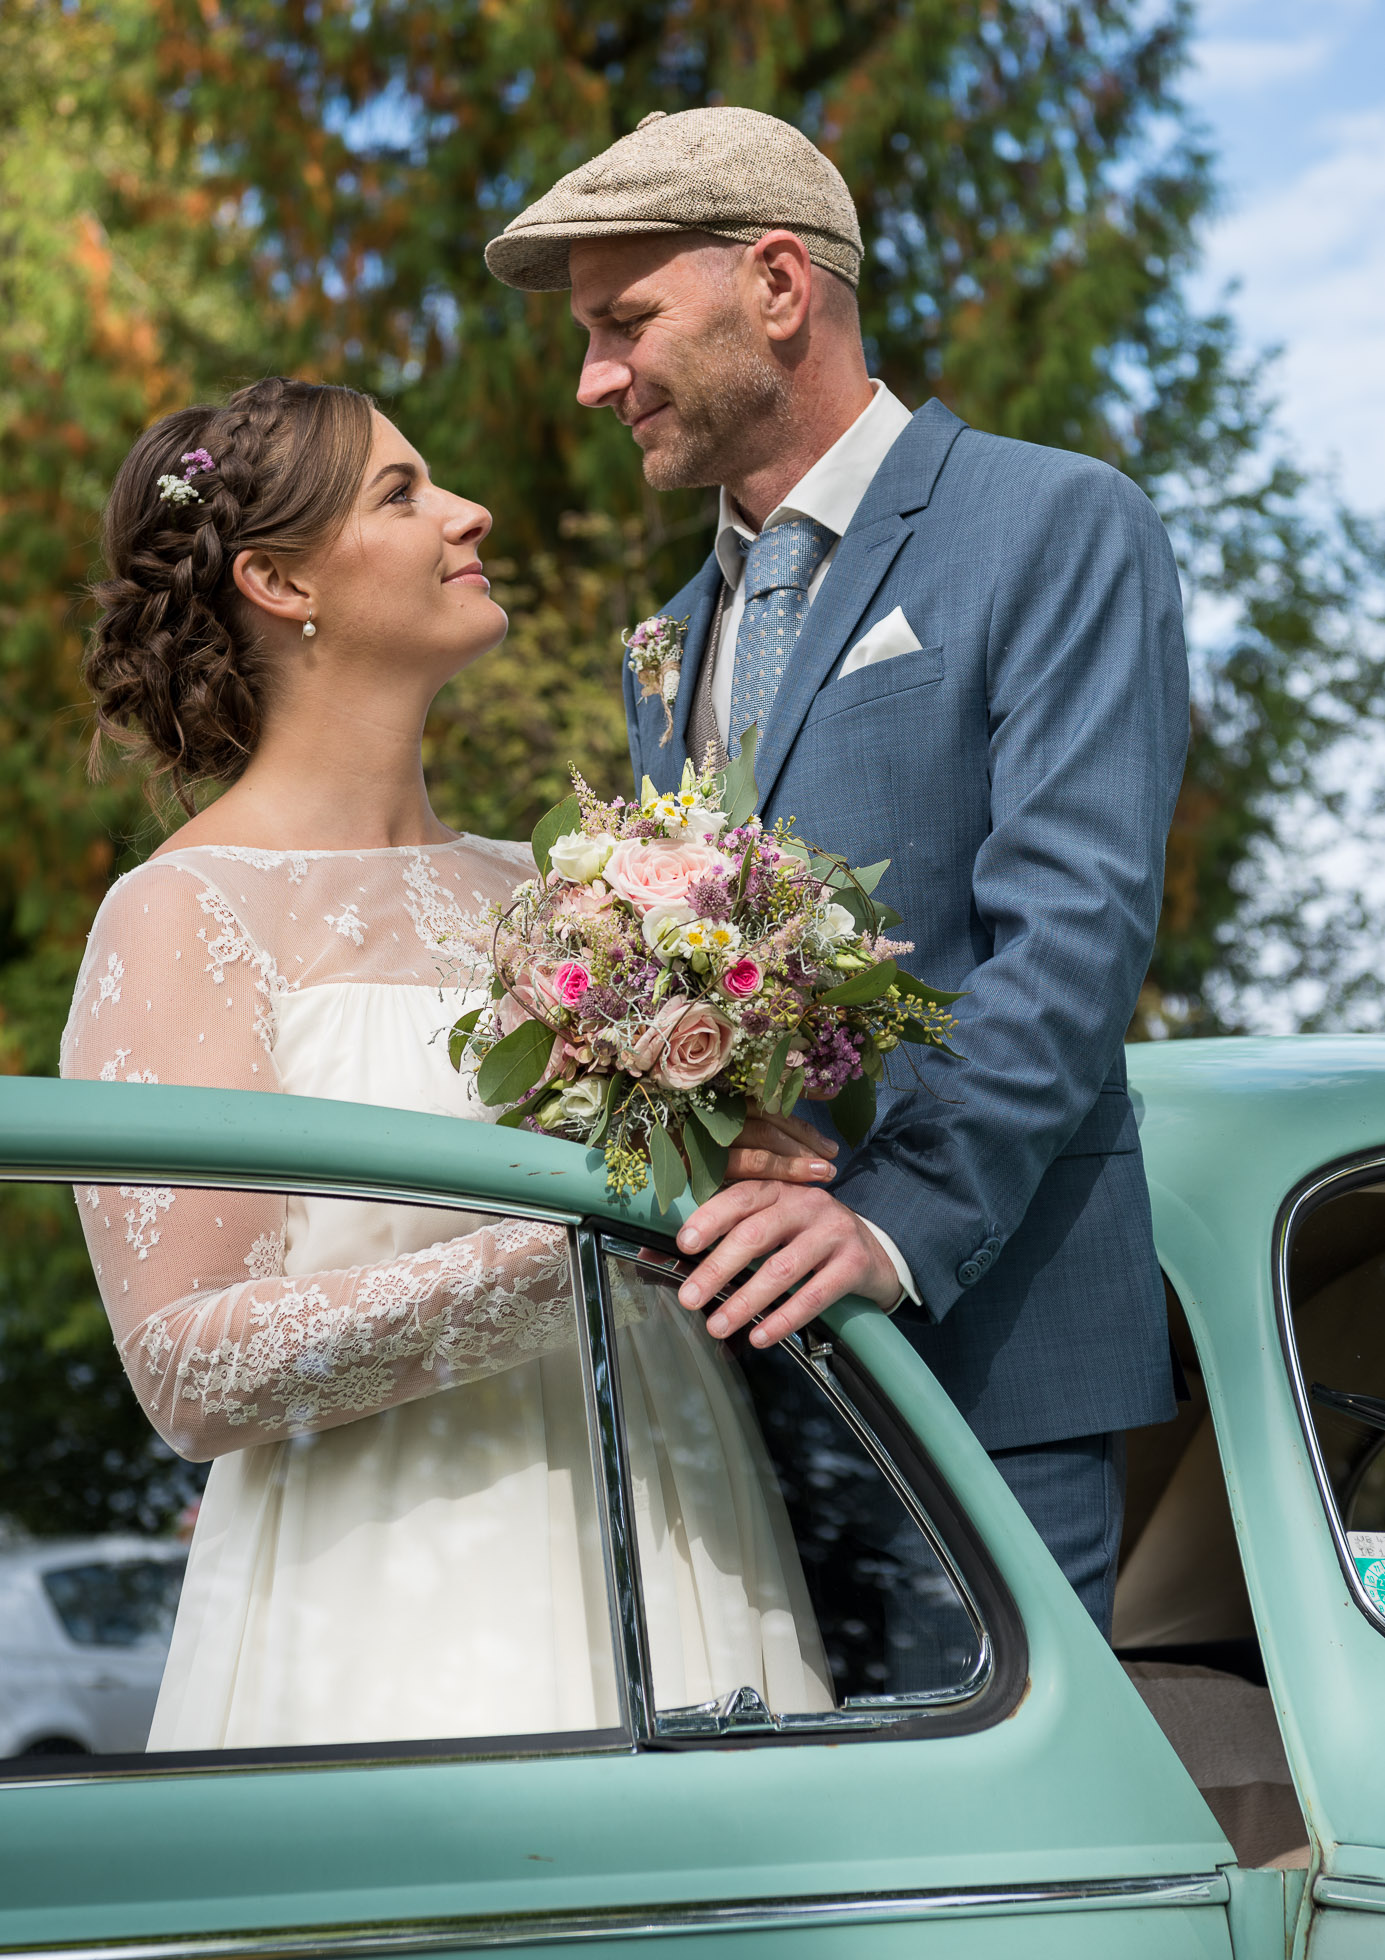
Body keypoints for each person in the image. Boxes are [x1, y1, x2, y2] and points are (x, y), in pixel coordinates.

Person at [484, 107, 1192, 1635]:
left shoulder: (1056, 520)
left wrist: (892, 1218)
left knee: (985, 1859)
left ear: (781, 286)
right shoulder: (662, 639)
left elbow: (1072, 925)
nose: (596, 376)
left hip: (986, 1353)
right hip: (741, 1383)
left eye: (624, 322)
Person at [61, 375, 831, 1748]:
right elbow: (188, 1373)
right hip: (390, 1595)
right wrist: (596, 1236)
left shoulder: (562, 894)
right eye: (403, 493)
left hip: (679, 1522)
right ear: (279, 579)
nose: (470, 513)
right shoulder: (185, 916)